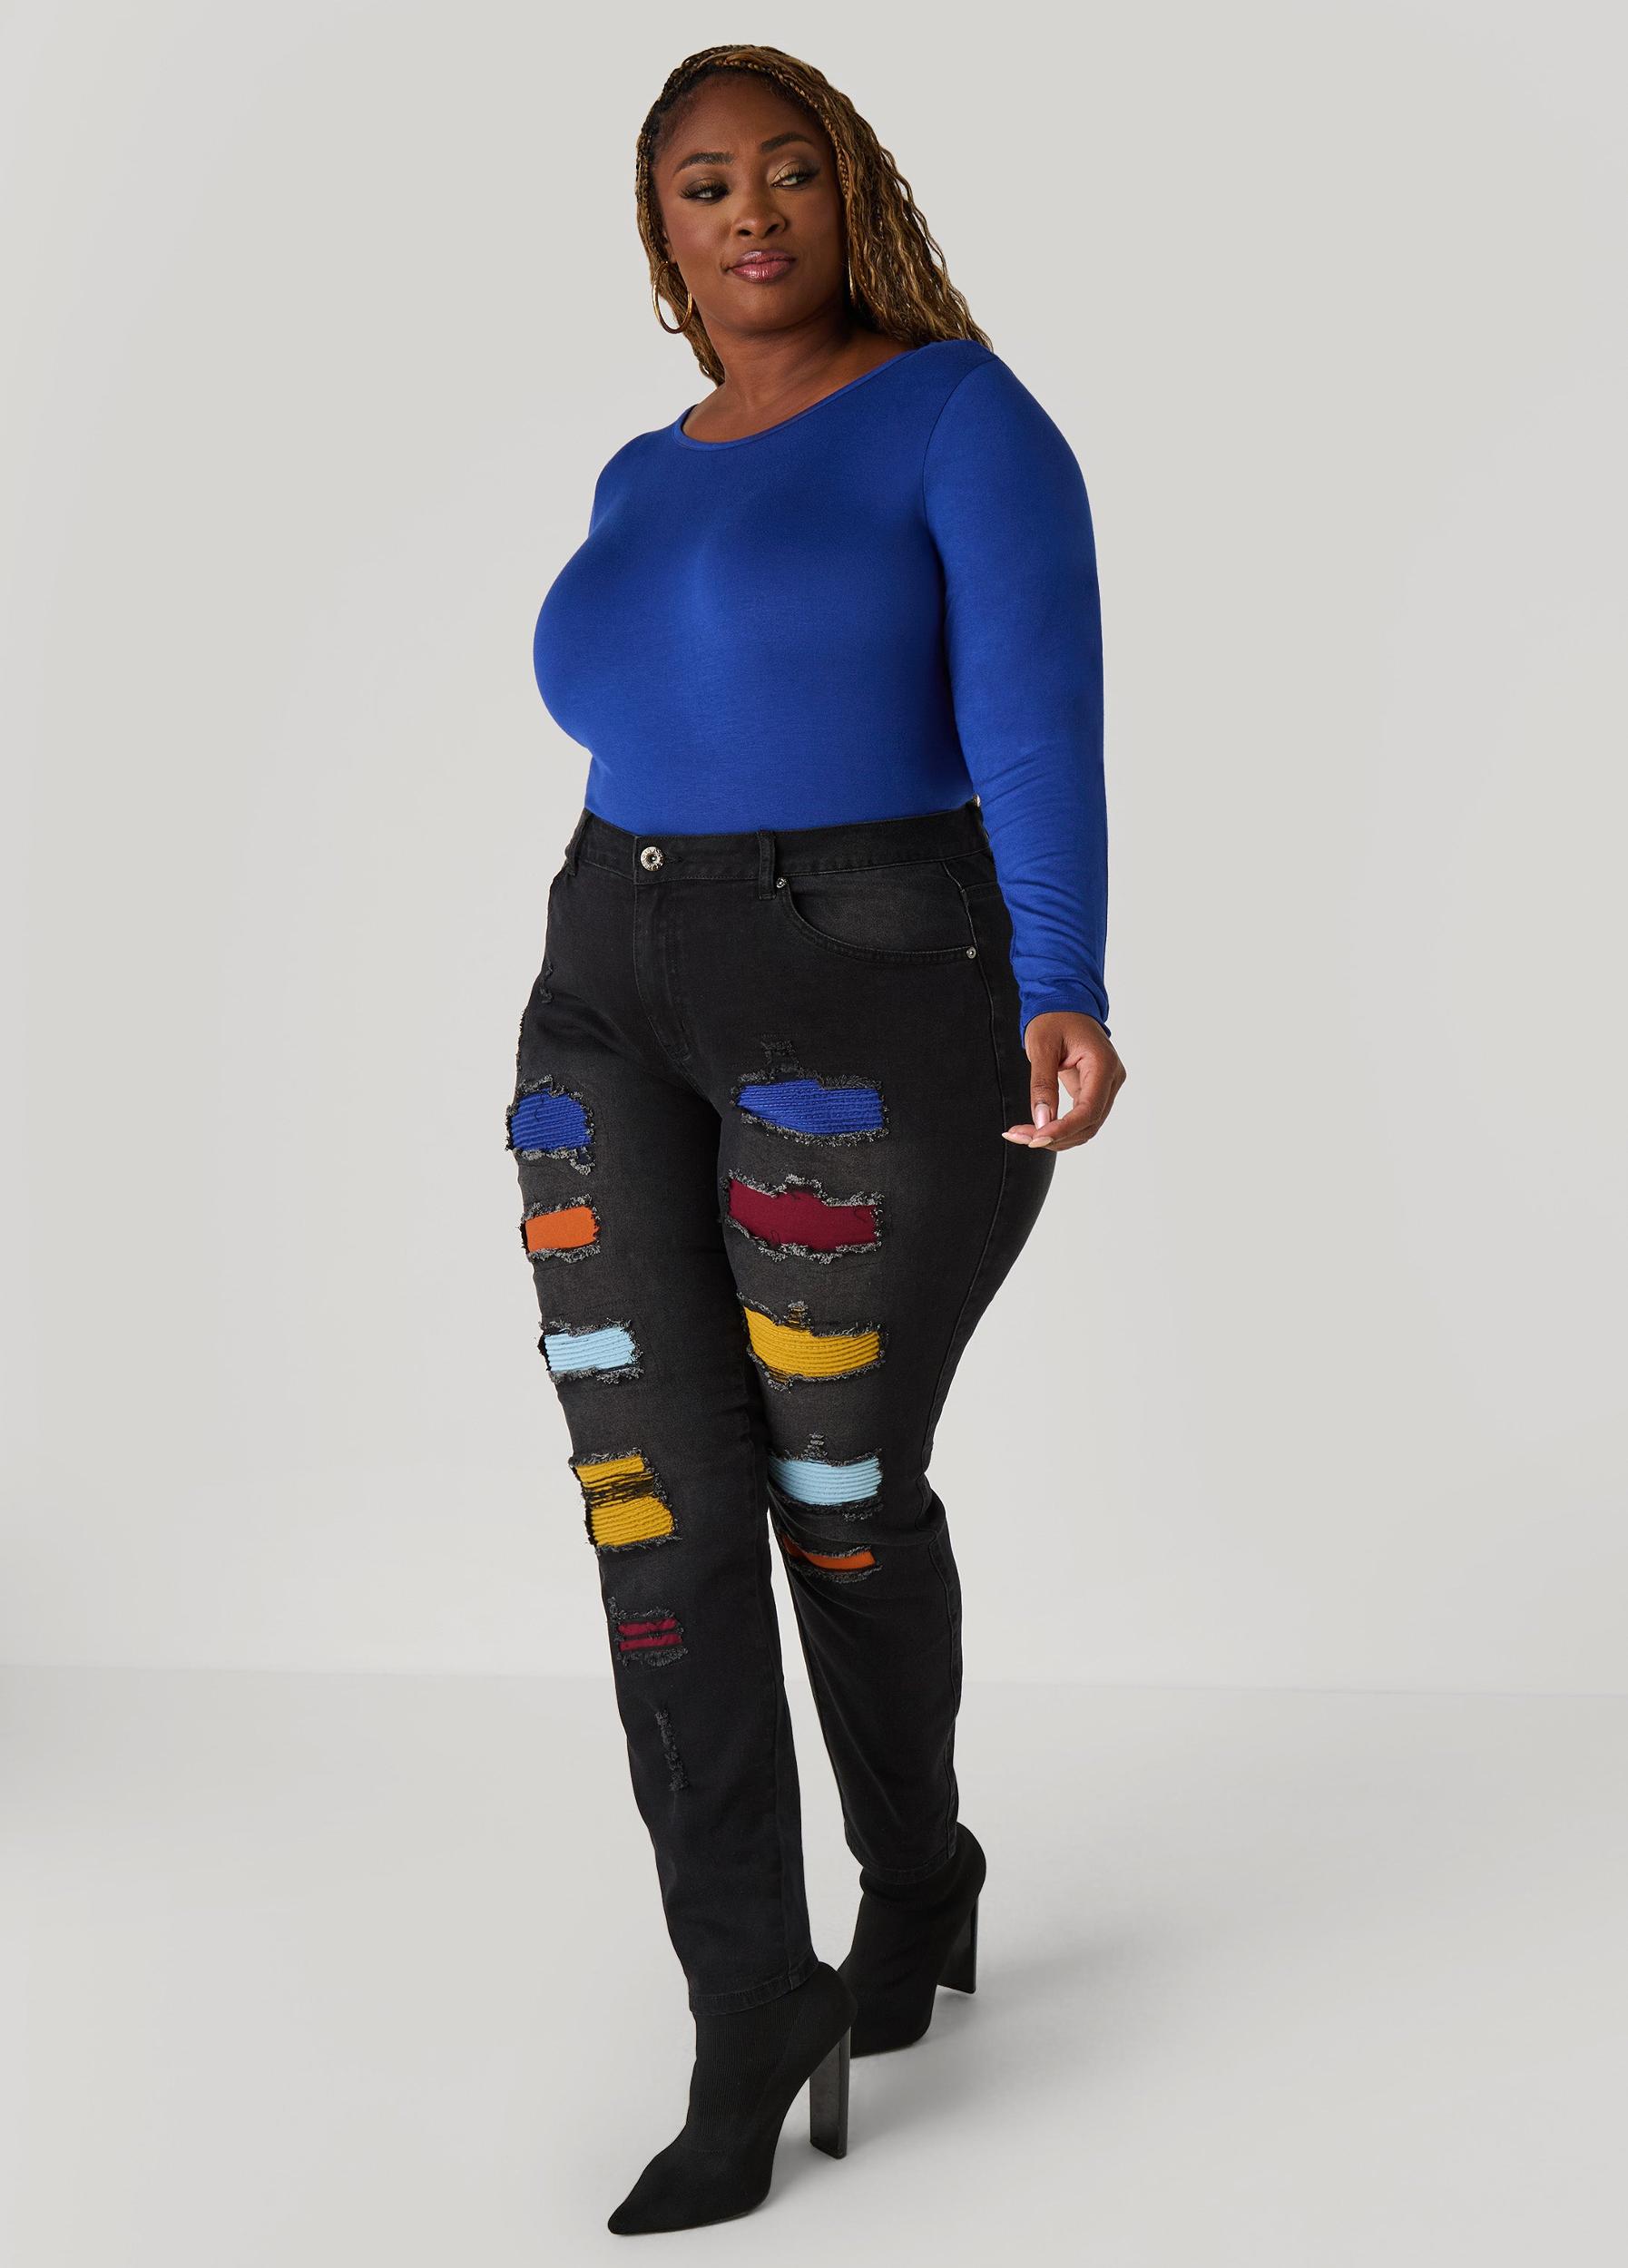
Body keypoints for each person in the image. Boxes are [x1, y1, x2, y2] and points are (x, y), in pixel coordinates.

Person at [512, 41, 1126, 2234]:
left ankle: (917, 1869)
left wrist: (1066, 977)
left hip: (872, 986)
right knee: (653, 1504)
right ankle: (745, 2001)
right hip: (610, 979)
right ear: (661, 231)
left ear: (851, 194)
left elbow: (1034, 722)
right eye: (705, 182)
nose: (751, 209)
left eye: (790, 170)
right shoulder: (638, 468)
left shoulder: (962, 414)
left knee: (837, 1487)